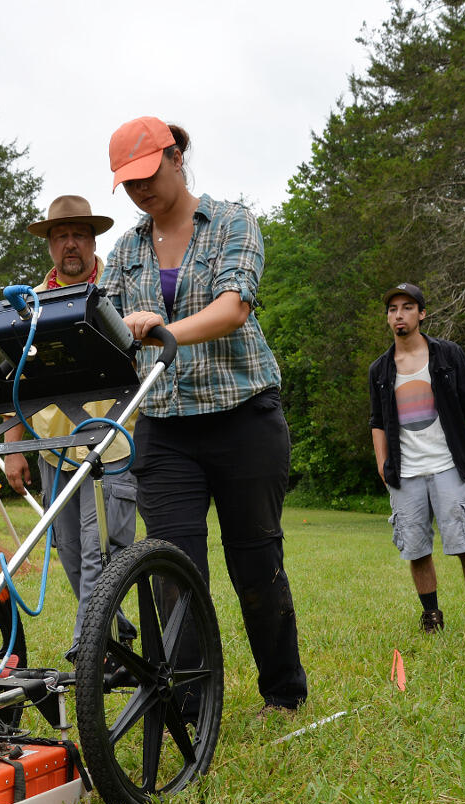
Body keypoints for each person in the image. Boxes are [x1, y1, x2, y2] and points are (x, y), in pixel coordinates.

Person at [100, 116, 308, 712]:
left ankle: (283, 691)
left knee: (255, 558)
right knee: (172, 568)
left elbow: (233, 307)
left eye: (147, 174)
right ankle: (188, 701)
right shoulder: (125, 252)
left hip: (244, 418)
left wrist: (161, 329)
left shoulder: (233, 223)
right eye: (128, 182)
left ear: (175, 156)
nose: (141, 191)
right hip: (164, 429)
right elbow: (105, 328)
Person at [1, 195, 138, 660]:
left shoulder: (117, 289)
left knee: (103, 553)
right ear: (50, 246)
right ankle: (116, 633)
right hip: (56, 453)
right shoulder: (32, 304)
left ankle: (88, 648)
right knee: (72, 555)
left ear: (93, 240)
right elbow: (15, 380)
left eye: (79, 234)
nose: (71, 244)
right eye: (61, 236)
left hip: (112, 447)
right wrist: (13, 447)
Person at [368, 283, 465, 636]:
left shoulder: (448, 355)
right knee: (416, 548)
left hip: (449, 465)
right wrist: (382, 463)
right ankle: (431, 618)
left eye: (407, 307)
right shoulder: (380, 370)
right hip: (405, 472)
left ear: (422, 314)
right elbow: (377, 422)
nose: (399, 314)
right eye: (393, 308)